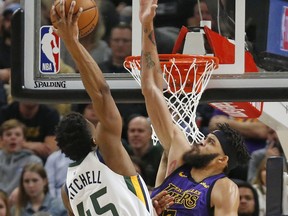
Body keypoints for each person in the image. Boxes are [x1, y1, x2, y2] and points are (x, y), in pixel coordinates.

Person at [50, 1, 173, 215]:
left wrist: (145, 208)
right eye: (94, 125)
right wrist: (72, 43)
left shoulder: (66, 190)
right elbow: (101, 92)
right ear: (94, 139)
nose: (98, 125)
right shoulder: (107, 155)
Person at [138, 0, 250, 215]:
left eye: (210, 142)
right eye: (207, 137)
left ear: (222, 159)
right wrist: (147, 25)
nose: (200, 140)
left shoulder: (224, 188)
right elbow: (151, 89)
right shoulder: (178, 160)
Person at [0, 119, 43, 195]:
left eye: (17, 134)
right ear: (1, 139)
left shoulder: (34, 161)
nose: (13, 137)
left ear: (24, 140)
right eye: (8, 134)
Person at [126, 114, 163, 187]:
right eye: (132, 131)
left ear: (150, 133)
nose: (135, 134)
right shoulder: (123, 152)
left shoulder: (159, 153)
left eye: (140, 131)